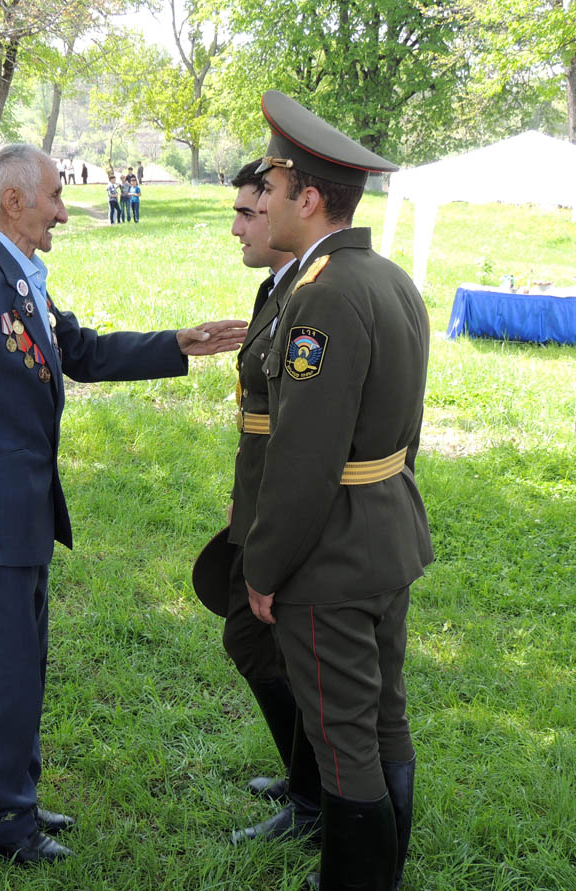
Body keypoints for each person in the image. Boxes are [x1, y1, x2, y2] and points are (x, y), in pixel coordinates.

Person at [0, 143, 248, 866]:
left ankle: (13, 795)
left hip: (23, 514)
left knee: (23, 667)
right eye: (57, 196)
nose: (65, 208)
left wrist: (176, 344)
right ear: (16, 202)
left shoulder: (17, 275)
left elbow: (77, 350)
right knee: (2, 673)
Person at [240, 90, 432, 891]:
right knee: (383, 717)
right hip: (386, 533)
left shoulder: (321, 296)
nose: (264, 203)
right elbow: (404, 429)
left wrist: (263, 566)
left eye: (273, 190)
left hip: (331, 557)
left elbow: (306, 459)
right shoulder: (386, 278)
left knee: (345, 737)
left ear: (307, 197)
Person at [195, 158, 328, 848]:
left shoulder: (311, 294)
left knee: (273, 646)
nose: (242, 226)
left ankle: (313, 798)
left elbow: (304, 436)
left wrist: (270, 528)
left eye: (253, 210)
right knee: (257, 643)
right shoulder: (278, 289)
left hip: (290, 509)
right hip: (261, 498)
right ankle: (303, 777)